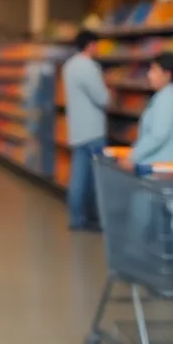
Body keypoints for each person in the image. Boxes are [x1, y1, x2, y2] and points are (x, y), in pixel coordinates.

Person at [61, 29, 109, 230]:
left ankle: (76, 218)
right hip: (93, 130)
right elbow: (102, 98)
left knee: (78, 177)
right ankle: (93, 218)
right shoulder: (89, 67)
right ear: (91, 45)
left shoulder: (69, 66)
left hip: (77, 129)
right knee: (95, 179)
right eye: (96, 45)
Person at [128, 52, 173, 165]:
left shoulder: (168, 99)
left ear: (167, 74)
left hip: (161, 166)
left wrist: (134, 155)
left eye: (154, 70)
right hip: (157, 164)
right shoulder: (164, 95)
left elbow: (158, 135)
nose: (149, 75)